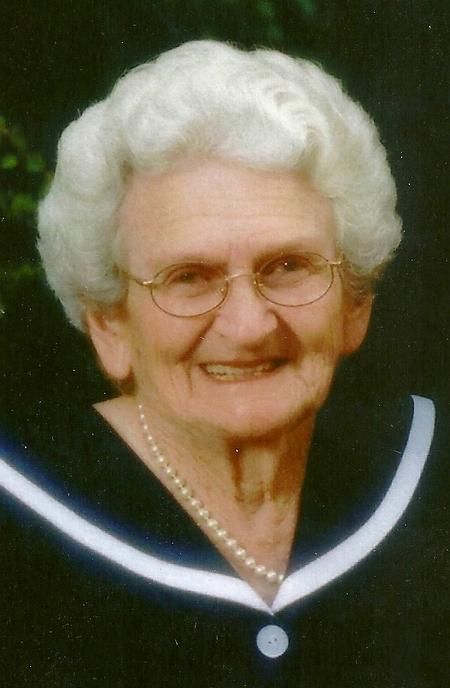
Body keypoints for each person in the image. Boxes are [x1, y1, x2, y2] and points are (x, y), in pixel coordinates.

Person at [0, 41, 446, 687]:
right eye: (189, 277)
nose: (248, 325)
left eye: (288, 266)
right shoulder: (19, 516)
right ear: (110, 325)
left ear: (355, 303)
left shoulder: (428, 474)